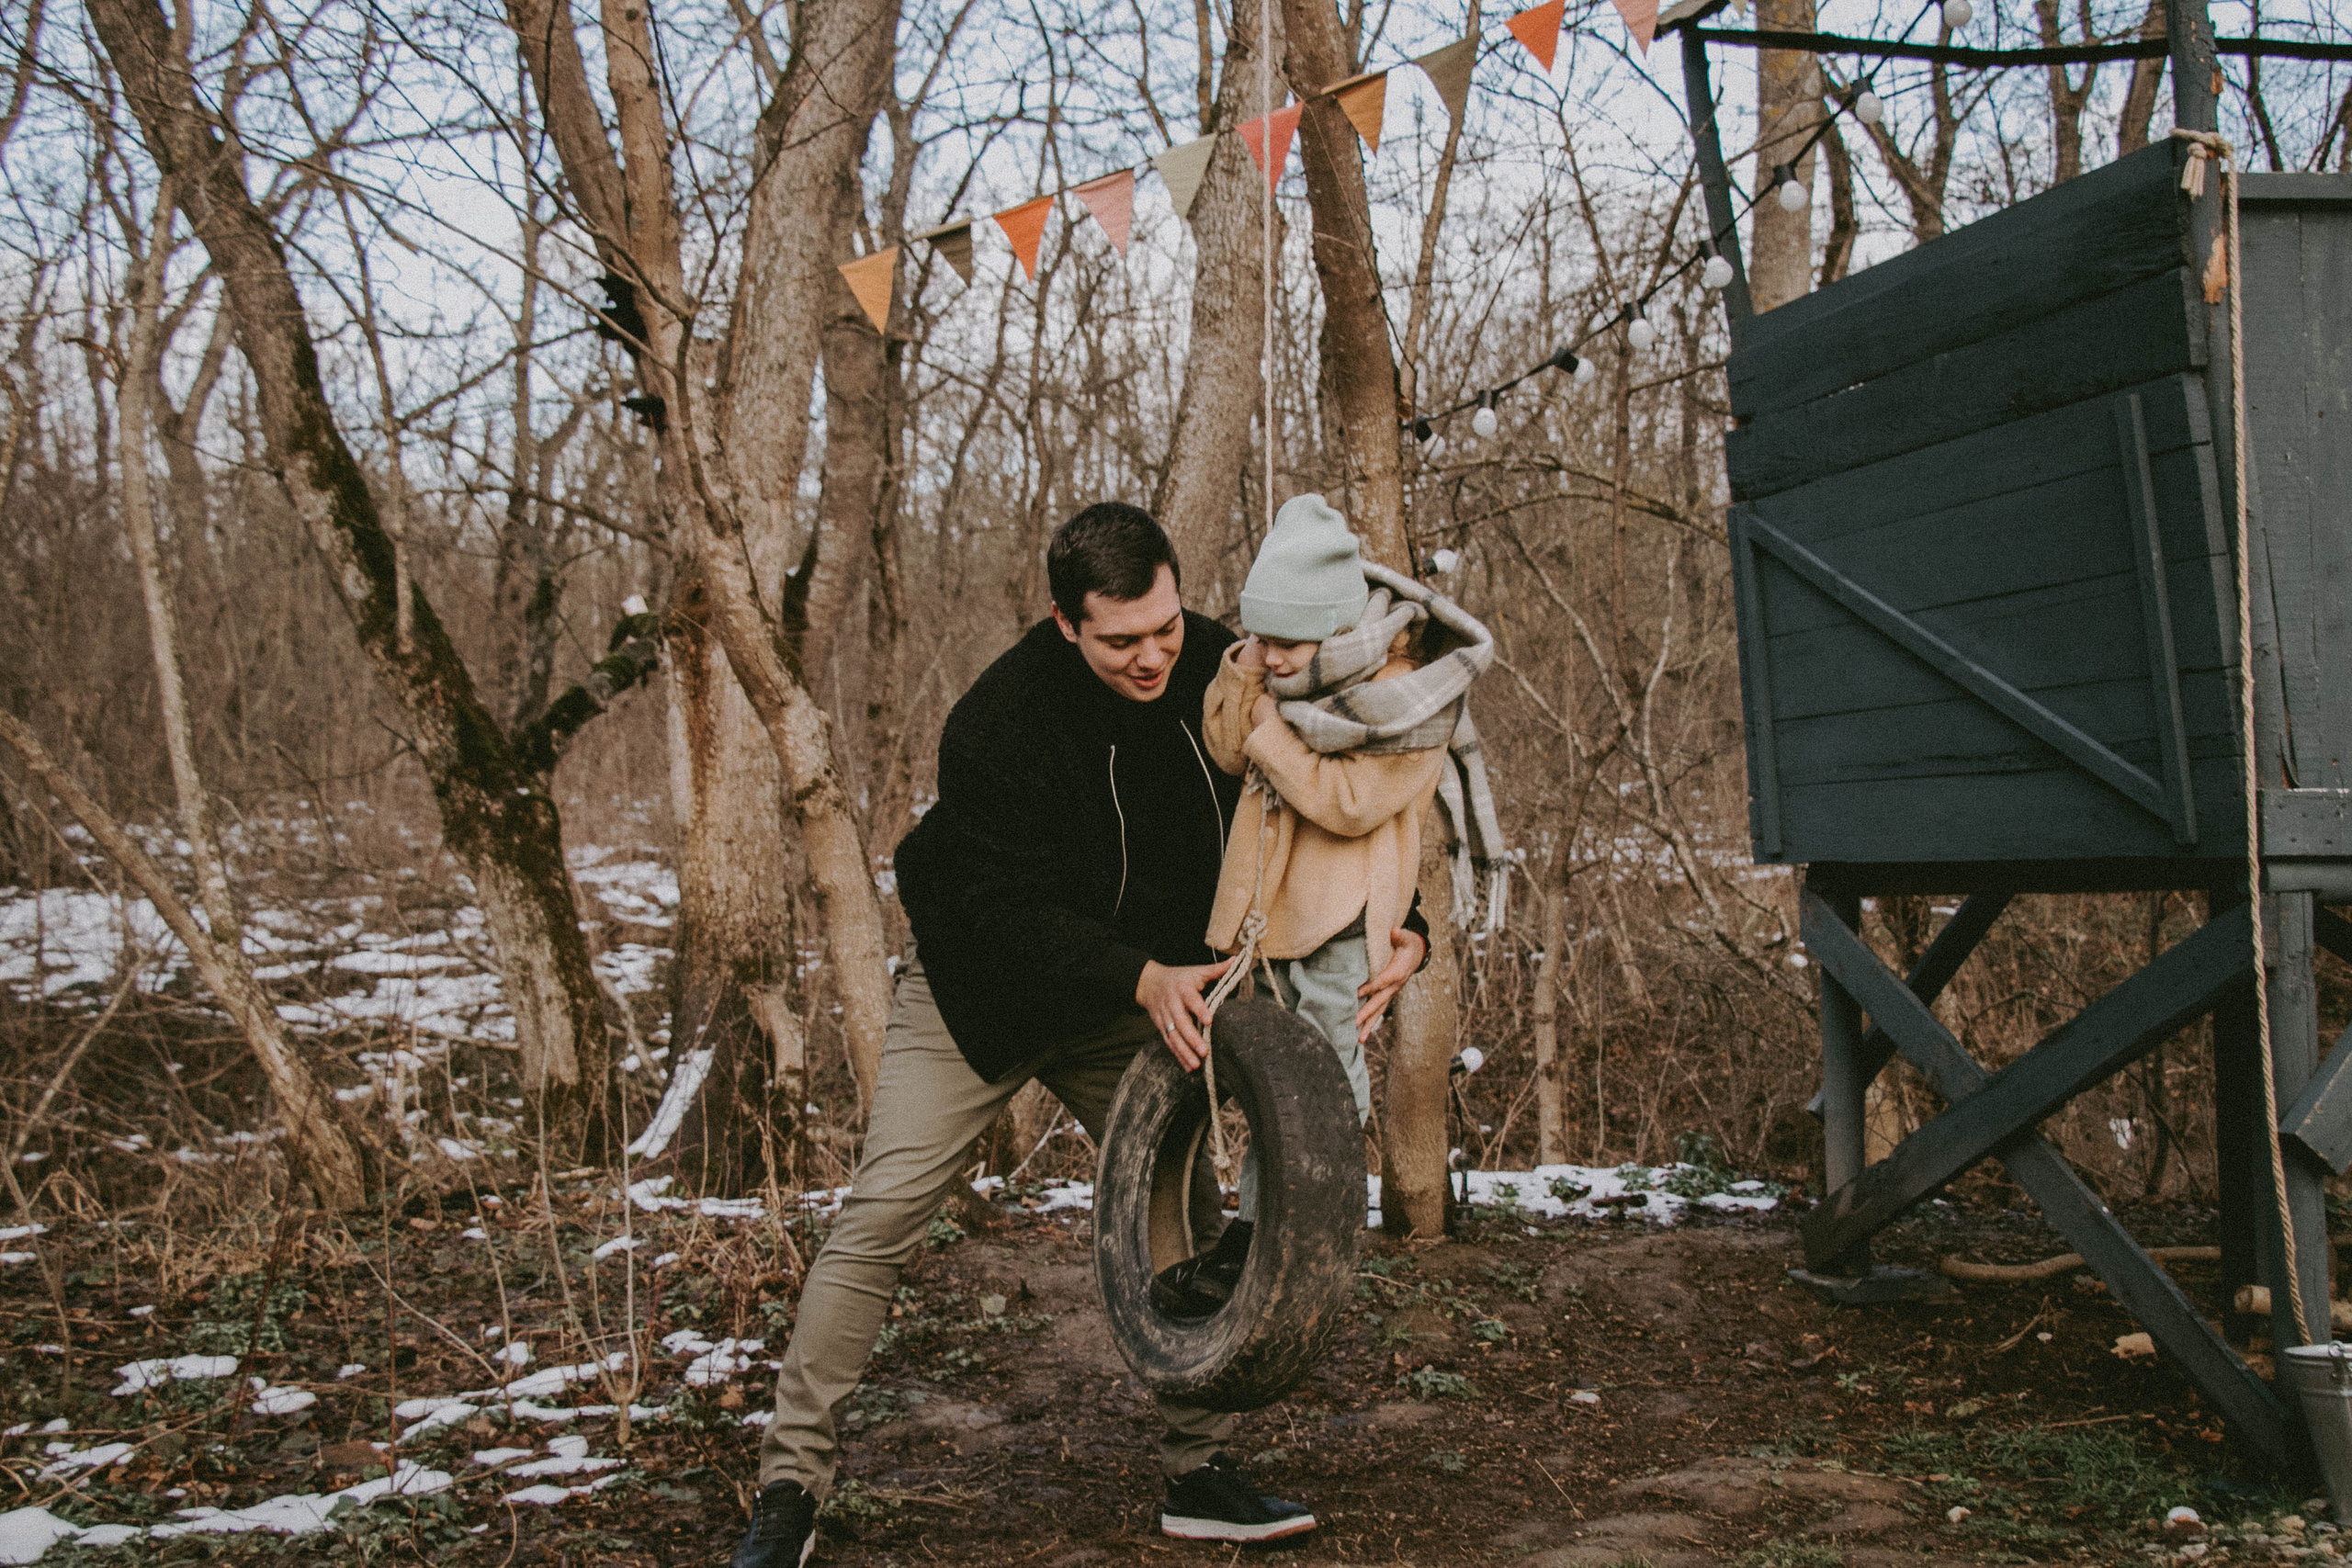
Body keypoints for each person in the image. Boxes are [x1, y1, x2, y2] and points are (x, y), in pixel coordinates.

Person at [732, 502, 1429, 1567]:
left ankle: (1199, 1471)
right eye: (1120, 641)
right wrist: (1138, 973)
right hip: (985, 993)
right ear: (1066, 623)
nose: (1152, 656)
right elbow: (998, 906)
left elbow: (1345, 800)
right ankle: (790, 1485)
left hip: (1126, 999)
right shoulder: (998, 720)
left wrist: (1404, 928)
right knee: (882, 1213)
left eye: (1162, 626)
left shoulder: (1226, 667)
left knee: (1182, 1204)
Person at [1149, 493, 1464, 1317]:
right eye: (1259, 635)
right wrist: (1246, 669)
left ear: (1331, 627)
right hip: (1265, 917)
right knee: (1276, 1076)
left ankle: (1274, 1240)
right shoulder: (1275, 672)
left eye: (1286, 641)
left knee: (1322, 1083)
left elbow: (1349, 801)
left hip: (1339, 922)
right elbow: (1225, 744)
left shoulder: (1405, 699)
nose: (1271, 655)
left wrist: (1267, 729)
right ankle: (1264, 1237)